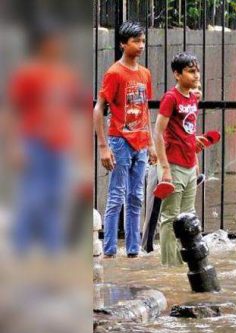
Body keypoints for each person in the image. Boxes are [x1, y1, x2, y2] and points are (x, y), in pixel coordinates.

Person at [7, 20, 83, 255]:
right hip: (34, 143)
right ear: (43, 44)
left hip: (60, 144)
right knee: (32, 197)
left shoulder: (65, 75)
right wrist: (14, 145)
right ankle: (20, 250)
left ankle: (53, 254)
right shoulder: (27, 74)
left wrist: (79, 146)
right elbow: (12, 109)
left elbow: (74, 111)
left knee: (57, 198)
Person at [93, 20, 156, 258]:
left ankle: (133, 250)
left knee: (136, 196)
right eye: (135, 41)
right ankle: (109, 249)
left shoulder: (145, 73)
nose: (141, 45)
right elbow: (99, 109)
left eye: (142, 40)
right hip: (119, 141)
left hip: (140, 143)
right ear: (123, 44)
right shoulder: (114, 73)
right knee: (117, 195)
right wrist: (103, 146)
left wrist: (150, 143)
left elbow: (144, 110)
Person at [152, 52, 209, 266]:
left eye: (197, 71)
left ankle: (186, 262)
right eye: (191, 71)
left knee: (188, 214)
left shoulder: (193, 97)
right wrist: (164, 168)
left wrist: (195, 156)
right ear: (177, 74)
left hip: (189, 164)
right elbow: (158, 133)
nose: (196, 75)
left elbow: (187, 129)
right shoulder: (171, 98)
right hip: (172, 165)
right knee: (170, 218)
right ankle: (170, 266)